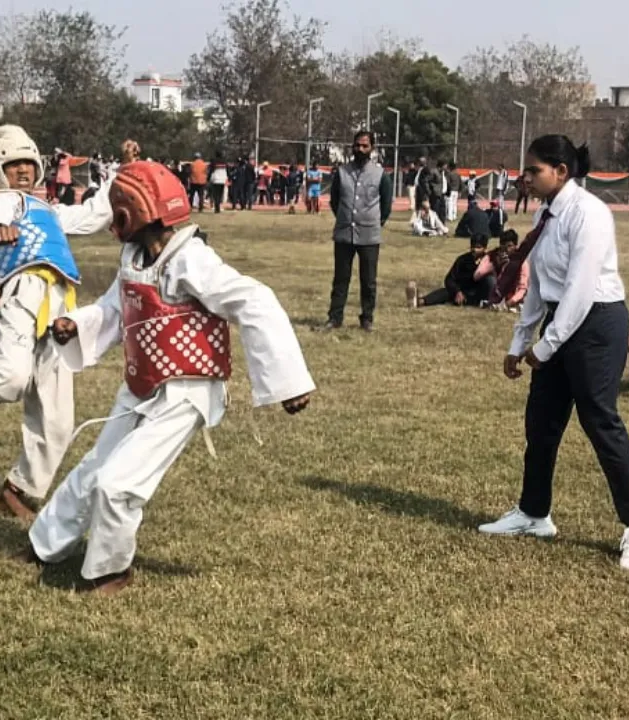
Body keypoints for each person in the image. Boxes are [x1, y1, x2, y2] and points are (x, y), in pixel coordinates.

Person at [30, 160, 315, 594]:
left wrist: (288, 382)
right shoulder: (134, 256)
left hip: (186, 391)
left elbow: (254, 300)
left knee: (118, 483)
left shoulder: (191, 259)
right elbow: (115, 308)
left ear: (132, 213)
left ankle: (110, 570)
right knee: (94, 469)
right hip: (141, 383)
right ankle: (45, 545)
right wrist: (77, 322)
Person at [481, 134, 629, 574]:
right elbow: (539, 284)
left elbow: (581, 288)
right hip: (561, 322)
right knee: (541, 423)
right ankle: (533, 513)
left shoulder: (589, 214)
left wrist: (545, 346)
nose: (526, 177)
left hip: (596, 324)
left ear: (561, 171)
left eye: (534, 170)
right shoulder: (547, 214)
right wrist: (519, 342)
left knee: (600, 422)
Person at [0, 125, 117, 523]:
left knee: (60, 417)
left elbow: (95, 214)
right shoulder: (3, 201)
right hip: (24, 293)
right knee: (11, 379)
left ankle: (17, 490)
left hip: (61, 303)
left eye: (29, 165)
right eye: (15, 166)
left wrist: (122, 174)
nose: (24, 173)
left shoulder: (51, 210)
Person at [324, 131, 393, 332]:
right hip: (345, 234)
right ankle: (334, 318)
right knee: (340, 279)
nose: (360, 149)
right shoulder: (342, 172)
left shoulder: (381, 175)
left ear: (372, 148)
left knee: (368, 280)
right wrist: (344, 218)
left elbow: (386, 205)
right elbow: (335, 200)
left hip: (369, 235)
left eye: (365, 146)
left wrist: (375, 222)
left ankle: (367, 318)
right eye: (357, 145)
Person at [407, 234, 494, 309]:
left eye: (478, 247)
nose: (474, 250)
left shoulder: (490, 261)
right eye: (473, 246)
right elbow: (450, 279)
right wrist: (457, 291)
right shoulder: (463, 260)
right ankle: (419, 301)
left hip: (479, 294)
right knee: (445, 292)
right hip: (461, 291)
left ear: (485, 248)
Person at [478, 229, 530, 312]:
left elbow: (523, 289)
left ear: (515, 246)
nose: (507, 250)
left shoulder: (522, 262)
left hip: (514, 297)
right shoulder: (494, 256)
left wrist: (509, 303)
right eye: (504, 246)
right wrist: (495, 265)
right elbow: (477, 275)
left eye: (509, 246)